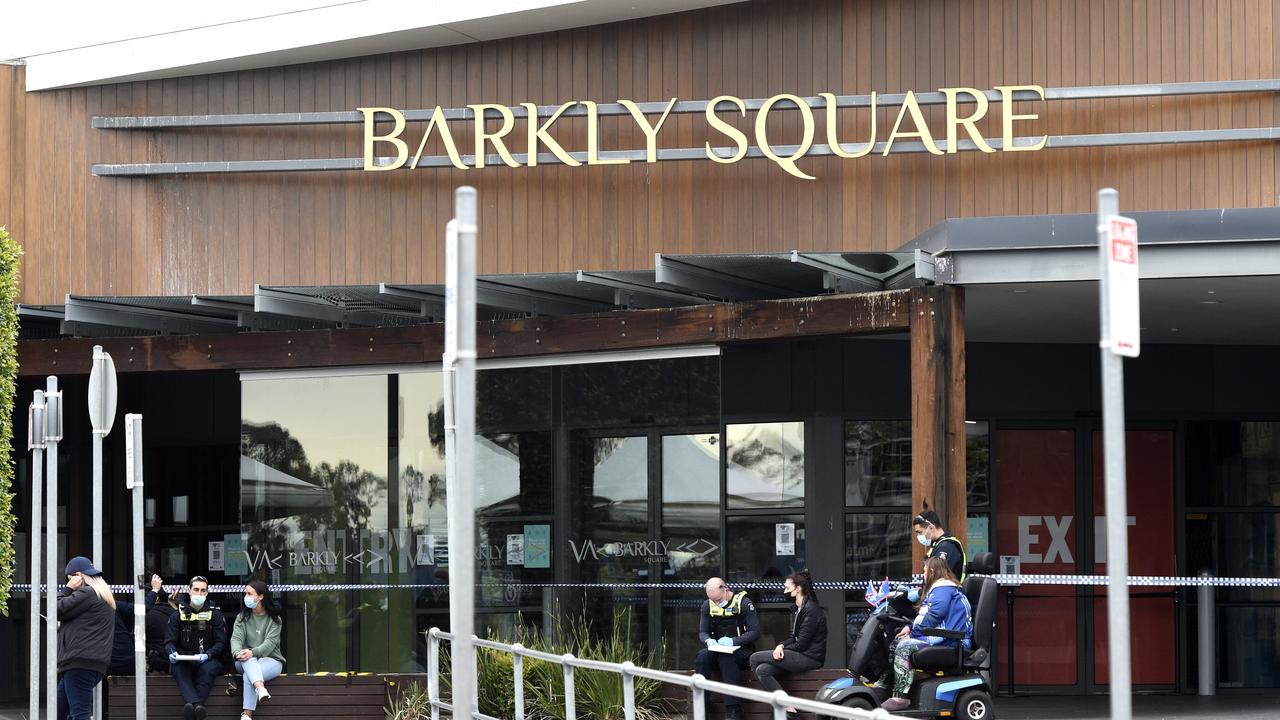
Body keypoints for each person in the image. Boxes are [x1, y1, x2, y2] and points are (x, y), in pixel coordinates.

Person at [879, 557, 973, 713]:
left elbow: (936, 615)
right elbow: (928, 616)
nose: (923, 575)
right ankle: (885, 687)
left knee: (903, 647)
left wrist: (914, 634)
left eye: (924, 572)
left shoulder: (943, 589)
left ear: (931, 572)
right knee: (897, 642)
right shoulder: (942, 588)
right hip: (943, 636)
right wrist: (910, 628)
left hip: (951, 640)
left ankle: (900, 698)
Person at [749, 569, 827, 714]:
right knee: (762, 670)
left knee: (754, 658)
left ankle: (786, 708)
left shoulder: (811, 610)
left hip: (810, 657)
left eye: (787, 588)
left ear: (798, 589)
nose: (784, 592)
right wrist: (781, 645)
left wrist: (781, 649)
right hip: (801, 654)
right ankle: (787, 708)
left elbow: (802, 644)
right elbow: (793, 637)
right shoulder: (798, 609)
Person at [56, 556, 116, 720]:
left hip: (79, 662)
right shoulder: (101, 595)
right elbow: (84, 624)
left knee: (79, 714)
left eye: (70, 578)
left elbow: (57, 608)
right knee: (59, 711)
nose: (70, 583)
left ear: (78, 576)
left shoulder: (88, 593)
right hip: (87, 663)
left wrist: (67, 589)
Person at [695, 576, 761, 720]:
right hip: (716, 648)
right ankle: (703, 704)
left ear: (725, 589)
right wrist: (708, 641)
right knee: (701, 657)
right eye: (713, 600)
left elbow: (755, 632)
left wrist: (733, 641)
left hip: (742, 651)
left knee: (727, 658)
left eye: (718, 600)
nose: (716, 603)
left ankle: (733, 709)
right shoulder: (708, 605)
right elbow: (702, 631)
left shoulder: (743, 603)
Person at [165, 575, 227, 720]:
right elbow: (169, 641)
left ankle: (191, 707)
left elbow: (221, 643)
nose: (199, 594)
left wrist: (208, 655)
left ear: (207, 592)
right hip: (185, 658)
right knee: (179, 669)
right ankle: (198, 706)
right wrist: (172, 653)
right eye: (196, 590)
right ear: (189, 590)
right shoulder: (177, 614)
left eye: (202, 591)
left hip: (210, 659)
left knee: (208, 670)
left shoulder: (215, 613)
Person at [232, 579, 286, 720]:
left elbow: (269, 645)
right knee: (249, 662)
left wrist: (252, 652)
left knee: (248, 675)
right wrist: (238, 652)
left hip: (271, 661)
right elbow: (236, 639)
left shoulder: (275, 620)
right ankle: (260, 688)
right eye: (246, 593)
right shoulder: (242, 617)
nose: (246, 597)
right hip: (243, 659)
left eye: (250, 594)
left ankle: (246, 715)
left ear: (261, 596)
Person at [107, 574, 163, 676]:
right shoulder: (112, 606)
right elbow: (139, 609)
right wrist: (155, 590)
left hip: (105, 662)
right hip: (123, 661)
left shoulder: (90, 608)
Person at [913, 509, 966, 582]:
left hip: (946, 591)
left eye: (920, 532)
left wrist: (920, 592)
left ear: (931, 528)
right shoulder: (938, 545)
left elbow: (938, 579)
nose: (919, 536)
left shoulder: (946, 547)